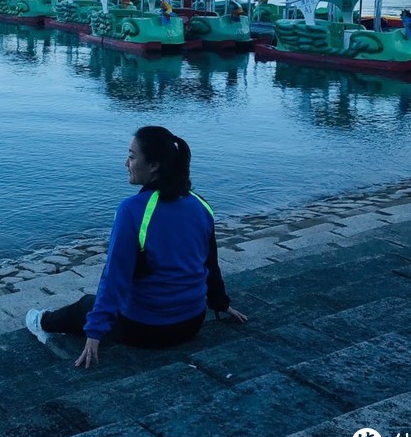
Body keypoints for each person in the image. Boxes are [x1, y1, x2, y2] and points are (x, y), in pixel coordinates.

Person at [25, 126, 247, 368]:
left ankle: (41, 323)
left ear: (153, 165)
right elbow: (210, 264)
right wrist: (221, 303)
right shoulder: (200, 205)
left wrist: (95, 331)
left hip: (147, 330)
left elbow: (114, 278)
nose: (126, 163)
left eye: (131, 157)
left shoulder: (132, 210)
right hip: (192, 322)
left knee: (85, 305)